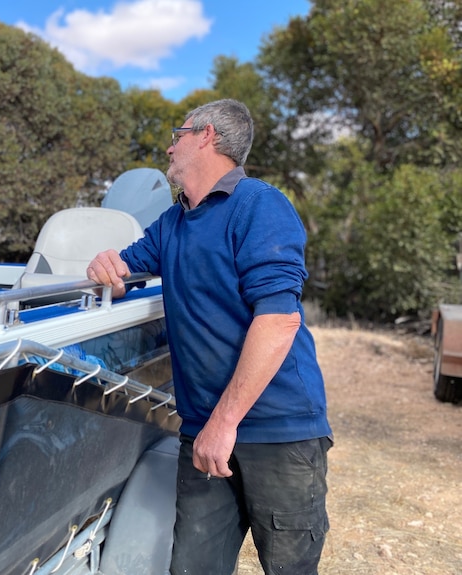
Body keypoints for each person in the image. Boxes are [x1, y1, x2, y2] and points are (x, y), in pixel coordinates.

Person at [86, 99, 332, 574]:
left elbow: (280, 320)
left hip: (277, 432)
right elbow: (123, 266)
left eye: (177, 134)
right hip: (203, 434)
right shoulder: (172, 224)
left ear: (207, 136)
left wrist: (224, 423)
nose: (168, 145)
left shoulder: (260, 204)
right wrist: (104, 262)